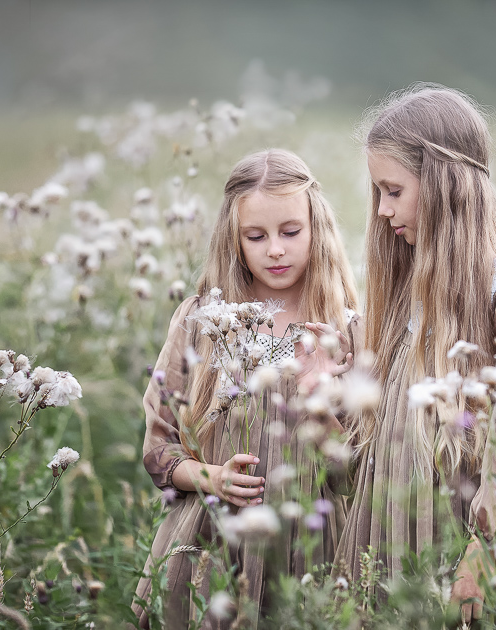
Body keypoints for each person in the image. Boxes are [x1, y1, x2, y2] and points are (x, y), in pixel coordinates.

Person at [335, 84, 496, 629]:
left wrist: (482, 551)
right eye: (379, 192)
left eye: (393, 190)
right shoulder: (413, 281)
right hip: (400, 539)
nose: (382, 210)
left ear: (445, 185)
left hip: (461, 549)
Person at [133, 148, 361, 629]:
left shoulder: (346, 330)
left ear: (317, 229)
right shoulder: (202, 321)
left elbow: (362, 474)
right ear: (232, 240)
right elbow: (158, 449)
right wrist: (210, 477)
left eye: (291, 232)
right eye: (256, 236)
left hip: (312, 550)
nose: (275, 249)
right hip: (213, 545)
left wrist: (321, 408)